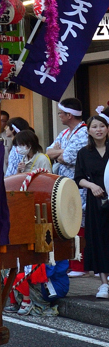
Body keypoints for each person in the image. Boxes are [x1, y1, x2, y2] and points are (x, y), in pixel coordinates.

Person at [77, 109, 109, 299]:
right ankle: (103, 283)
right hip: (96, 201)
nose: (98, 130)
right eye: (94, 127)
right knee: (98, 240)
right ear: (88, 130)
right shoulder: (84, 153)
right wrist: (92, 186)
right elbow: (78, 178)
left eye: (102, 126)